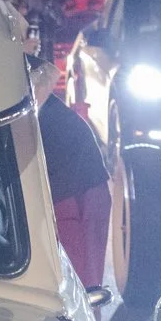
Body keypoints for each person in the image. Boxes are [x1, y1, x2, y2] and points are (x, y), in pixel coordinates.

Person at [30, 54, 110, 288]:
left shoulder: (43, 119)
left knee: (78, 289)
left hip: (75, 197)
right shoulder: (41, 113)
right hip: (72, 193)